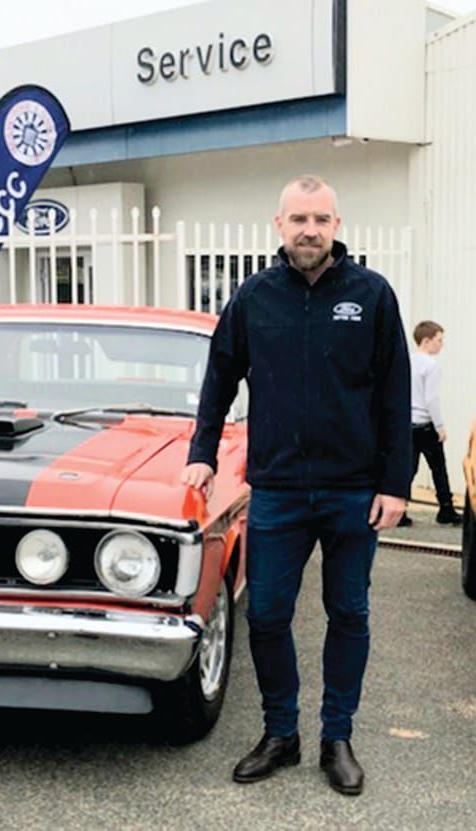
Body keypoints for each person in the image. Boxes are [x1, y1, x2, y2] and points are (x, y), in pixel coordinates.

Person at [180, 175, 411, 797]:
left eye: (322, 218)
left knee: (349, 612)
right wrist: (202, 453)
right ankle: (282, 733)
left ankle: (337, 736)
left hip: (353, 491)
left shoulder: (372, 295)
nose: (310, 229)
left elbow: (395, 395)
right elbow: (219, 378)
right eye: (299, 218)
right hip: (278, 488)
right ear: (278, 225)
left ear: (338, 224)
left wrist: (396, 483)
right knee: (268, 613)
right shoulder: (254, 298)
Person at [398, 320, 462, 527]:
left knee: (408, 469)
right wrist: (440, 426)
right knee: (438, 468)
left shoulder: (407, 361)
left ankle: (399, 510)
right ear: (426, 341)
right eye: (439, 340)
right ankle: (446, 509)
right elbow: (431, 399)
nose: (441, 345)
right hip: (426, 424)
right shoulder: (431, 365)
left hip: (408, 423)